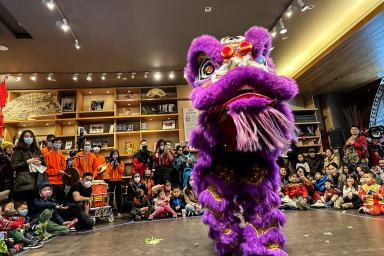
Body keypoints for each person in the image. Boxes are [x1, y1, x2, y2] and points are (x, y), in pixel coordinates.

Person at [11, 130, 46, 210]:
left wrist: (40, 162)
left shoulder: (37, 150)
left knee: (34, 207)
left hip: (37, 182)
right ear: (22, 138)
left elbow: (44, 164)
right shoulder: (18, 150)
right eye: (26, 137)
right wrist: (27, 162)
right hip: (23, 184)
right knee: (22, 207)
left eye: (31, 137)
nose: (29, 138)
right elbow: (14, 166)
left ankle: (32, 222)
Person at [45, 138, 66, 205]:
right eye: (56, 142)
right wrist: (58, 171)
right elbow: (46, 171)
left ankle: (60, 214)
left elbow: (63, 169)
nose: (58, 144)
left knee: (61, 202)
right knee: (52, 202)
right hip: (51, 182)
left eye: (60, 143)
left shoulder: (62, 156)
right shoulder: (47, 156)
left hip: (61, 182)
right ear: (52, 143)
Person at [106, 150, 124, 217]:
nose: (115, 155)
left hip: (119, 181)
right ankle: (111, 211)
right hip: (111, 181)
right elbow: (109, 173)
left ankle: (119, 211)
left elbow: (121, 172)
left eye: (116, 154)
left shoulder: (121, 162)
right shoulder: (108, 164)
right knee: (111, 197)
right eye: (113, 154)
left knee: (118, 196)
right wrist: (112, 166)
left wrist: (118, 166)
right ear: (111, 156)